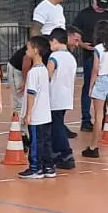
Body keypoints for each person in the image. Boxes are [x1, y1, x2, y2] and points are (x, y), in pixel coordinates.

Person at [81, 19, 108, 160]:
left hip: (101, 80)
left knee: (99, 116)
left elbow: (95, 69)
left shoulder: (98, 49)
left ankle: (93, 147)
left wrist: (91, 86)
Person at [72, 0, 108, 132]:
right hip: (90, 54)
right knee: (88, 86)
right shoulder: (84, 14)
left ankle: (103, 118)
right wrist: (81, 44)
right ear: (94, 0)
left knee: (105, 86)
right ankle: (86, 119)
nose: (101, 8)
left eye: (103, 6)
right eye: (99, 5)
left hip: (106, 55)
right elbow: (74, 33)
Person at [19, 35, 55, 180]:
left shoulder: (33, 72)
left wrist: (28, 113)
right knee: (45, 141)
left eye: (28, 48)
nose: (26, 51)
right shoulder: (44, 70)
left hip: (36, 114)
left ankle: (35, 168)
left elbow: (31, 94)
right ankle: (48, 167)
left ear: (35, 50)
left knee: (35, 142)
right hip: (45, 113)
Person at [47, 28, 78, 169]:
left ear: (55, 41)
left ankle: (66, 153)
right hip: (66, 96)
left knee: (56, 126)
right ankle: (56, 153)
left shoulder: (54, 57)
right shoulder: (71, 58)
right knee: (57, 123)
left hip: (55, 96)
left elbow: (47, 76)